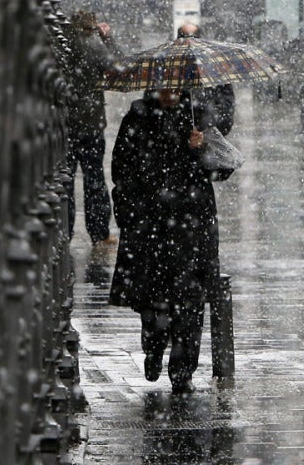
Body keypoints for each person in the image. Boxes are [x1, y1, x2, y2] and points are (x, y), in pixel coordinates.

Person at [108, 87, 221, 395]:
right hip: (152, 226)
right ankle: (154, 348)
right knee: (154, 301)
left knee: (190, 303)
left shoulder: (198, 115)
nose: (170, 95)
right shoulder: (139, 118)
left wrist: (200, 149)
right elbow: (123, 169)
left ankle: (183, 372)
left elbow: (221, 168)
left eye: (174, 89)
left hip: (191, 226)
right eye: (164, 89)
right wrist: (130, 212)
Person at [61, 10, 123, 245]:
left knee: (64, 180)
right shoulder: (91, 44)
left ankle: (64, 232)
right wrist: (107, 39)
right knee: (93, 177)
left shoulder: (61, 43)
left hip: (65, 123)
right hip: (89, 122)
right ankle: (99, 232)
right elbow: (118, 65)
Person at [176, 23, 235, 136]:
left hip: (210, 146)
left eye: (193, 38)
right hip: (177, 148)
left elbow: (226, 116)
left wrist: (205, 133)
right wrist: (185, 135)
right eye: (185, 38)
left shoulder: (217, 72)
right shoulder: (168, 74)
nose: (189, 43)